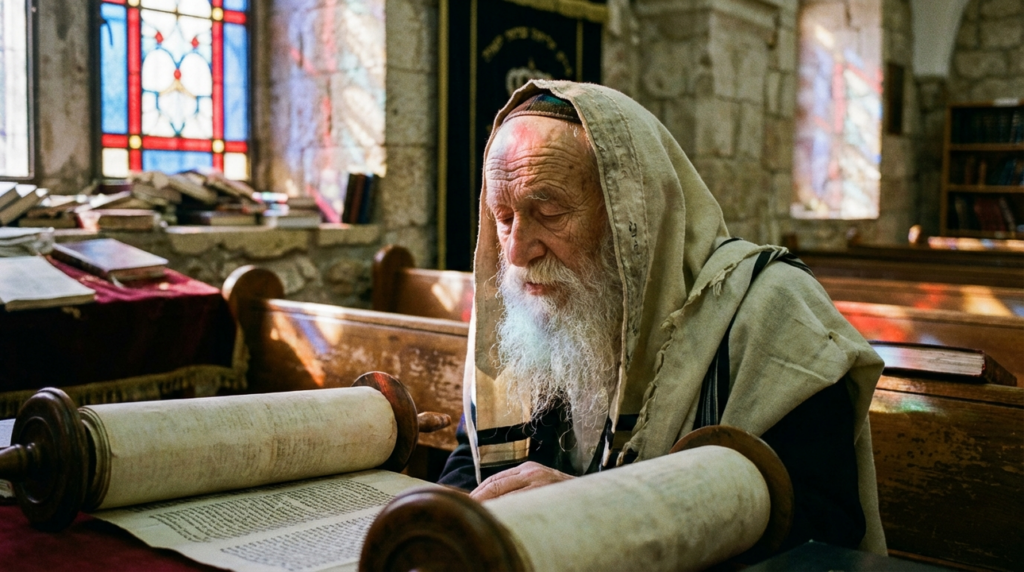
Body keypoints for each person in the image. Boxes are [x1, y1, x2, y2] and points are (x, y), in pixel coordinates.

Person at [437, 80, 886, 556]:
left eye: (548, 211)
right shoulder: (527, 305)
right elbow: (478, 463)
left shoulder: (773, 313)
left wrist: (591, 515)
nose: (517, 250)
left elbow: (821, 535)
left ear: (634, 215)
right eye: (503, 217)